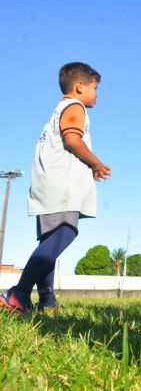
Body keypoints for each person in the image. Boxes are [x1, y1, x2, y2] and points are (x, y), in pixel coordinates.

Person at [0, 62, 111, 314]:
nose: (97, 94)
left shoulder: (56, 110)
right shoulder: (75, 107)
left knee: (49, 242)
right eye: (95, 88)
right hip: (61, 186)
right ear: (80, 86)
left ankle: (47, 300)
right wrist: (95, 163)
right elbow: (73, 139)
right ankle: (18, 293)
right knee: (66, 232)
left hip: (46, 184)